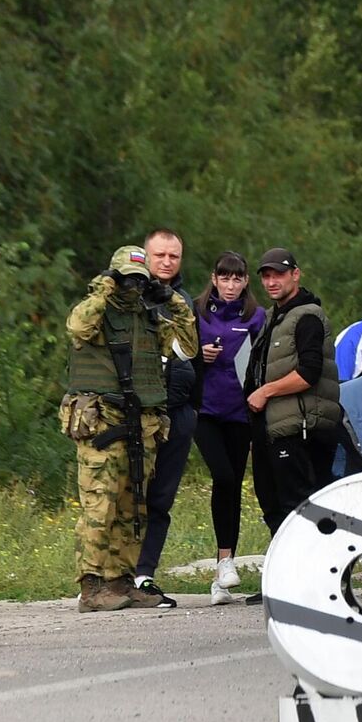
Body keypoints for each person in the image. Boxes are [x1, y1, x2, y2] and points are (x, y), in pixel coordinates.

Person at [60, 246, 197, 610]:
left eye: (140, 280)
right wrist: (106, 287)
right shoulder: (96, 312)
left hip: (142, 425)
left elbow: (187, 348)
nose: (134, 287)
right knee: (99, 505)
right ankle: (91, 588)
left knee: (133, 506)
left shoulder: (150, 320)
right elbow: (77, 326)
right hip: (103, 420)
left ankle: (121, 582)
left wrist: (174, 303)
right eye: (127, 279)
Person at [245, 248, 345, 529]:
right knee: (273, 505)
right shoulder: (272, 318)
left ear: (295, 275)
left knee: (301, 508)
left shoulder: (307, 317)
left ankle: (319, 570)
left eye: (278, 274)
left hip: (301, 430)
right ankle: (286, 571)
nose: (271, 281)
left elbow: (308, 373)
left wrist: (265, 391)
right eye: (266, 276)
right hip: (273, 430)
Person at [191, 251, 266, 605]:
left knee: (233, 485)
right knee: (221, 476)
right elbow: (175, 353)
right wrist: (198, 356)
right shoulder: (196, 311)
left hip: (241, 412)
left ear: (246, 281)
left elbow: (264, 363)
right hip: (205, 410)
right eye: (225, 278)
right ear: (214, 279)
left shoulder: (256, 316)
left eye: (237, 278)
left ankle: (224, 574)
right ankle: (224, 562)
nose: (231, 285)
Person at [132, 228, 197, 604]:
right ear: (147, 256)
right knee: (131, 495)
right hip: (141, 414)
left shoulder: (183, 301)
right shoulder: (131, 298)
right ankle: (118, 573)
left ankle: (145, 574)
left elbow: (186, 352)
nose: (167, 262)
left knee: (161, 498)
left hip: (181, 412)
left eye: (174, 256)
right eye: (160, 255)